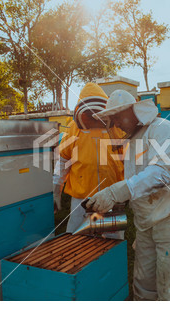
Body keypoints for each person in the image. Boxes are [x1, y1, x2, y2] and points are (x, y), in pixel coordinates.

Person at [86, 90, 170, 301]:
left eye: (118, 117)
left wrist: (117, 192)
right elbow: (139, 181)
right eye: (113, 119)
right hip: (146, 222)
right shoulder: (133, 141)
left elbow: (162, 173)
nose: (116, 124)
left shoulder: (163, 129)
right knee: (143, 287)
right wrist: (119, 202)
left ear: (133, 110)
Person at [53, 83, 124, 239]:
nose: (94, 116)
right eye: (90, 113)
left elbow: (128, 161)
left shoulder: (116, 128)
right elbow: (63, 161)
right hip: (81, 198)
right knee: (77, 239)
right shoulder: (73, 129)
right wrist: (56, 191)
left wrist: (124, 192)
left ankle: (110, 262)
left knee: (111, 241)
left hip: (110, 195)